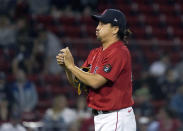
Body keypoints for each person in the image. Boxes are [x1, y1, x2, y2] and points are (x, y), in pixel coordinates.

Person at [56, 9, 136, 131]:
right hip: (103, 118)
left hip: (116, 117)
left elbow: (95, 81)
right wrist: (67, 68)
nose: (98, 27)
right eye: (98, 24)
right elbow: (79, 83)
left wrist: (72, 66)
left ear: (115, 29)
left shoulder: (119, 51)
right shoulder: (96, 53)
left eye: (103, 24)